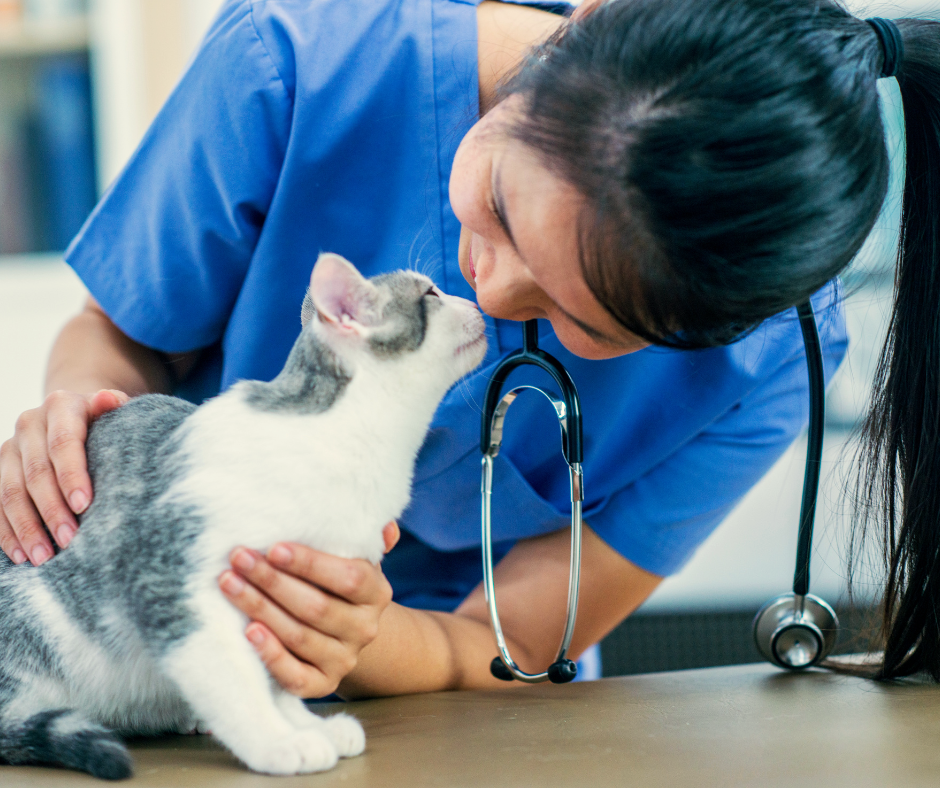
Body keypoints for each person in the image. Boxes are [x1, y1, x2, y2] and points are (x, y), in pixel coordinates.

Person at [0, 0, 936, 695]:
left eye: (589, 327)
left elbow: (510, 644)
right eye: (497, 205)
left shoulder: (769, 360)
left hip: (462, 713)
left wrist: (353, 638)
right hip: (155, 627)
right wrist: (80, 418)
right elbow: (119, 337)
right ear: (580, 25)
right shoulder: (294, 63)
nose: (489, 290)